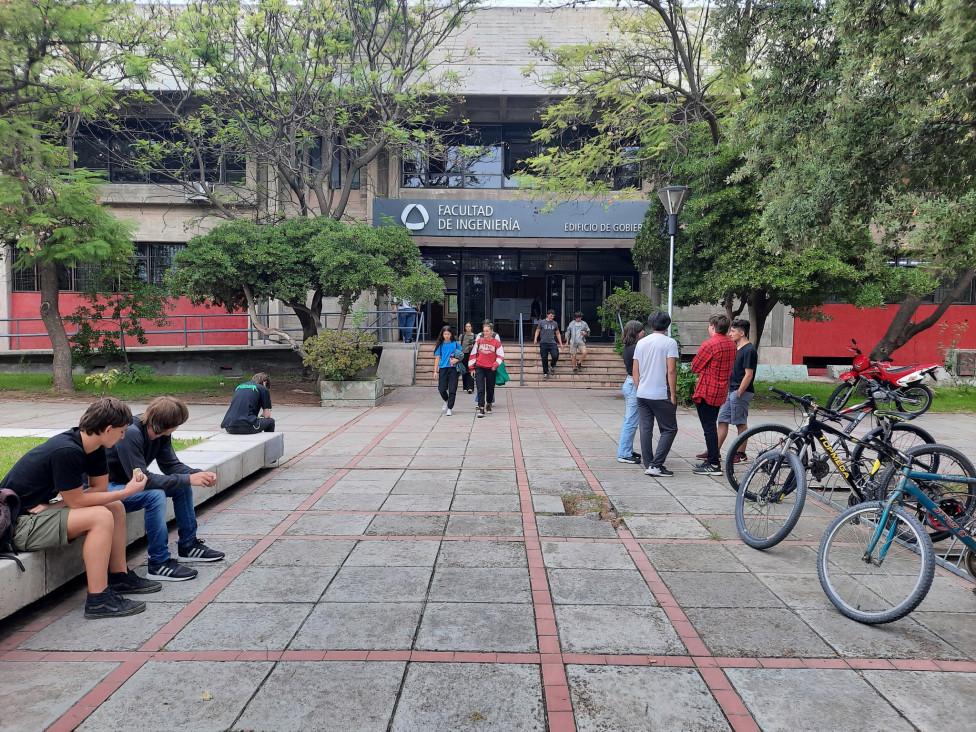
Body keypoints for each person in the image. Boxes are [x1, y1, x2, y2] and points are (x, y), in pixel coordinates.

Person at [0, 398, 159, 619]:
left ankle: (119, 577)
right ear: (107, 429)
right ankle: (98, 600)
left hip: (39, 512)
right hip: (18, 525)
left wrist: (58, 503)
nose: (123, 437)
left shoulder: (93, 446)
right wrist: (128, 491)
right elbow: (79, 501)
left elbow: (99, 489)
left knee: (113, 506)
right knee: (100, 517)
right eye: (122, 431)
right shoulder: (67, 450)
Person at [107, 396, 224, 582]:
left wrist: (197, 474)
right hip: (107, 488)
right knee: (155, 495)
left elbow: (171, 466)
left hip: (130, 484)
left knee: (182, 486)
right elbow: (142, 480)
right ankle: (158, 563)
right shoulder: (131, 433)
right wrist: (187, 478)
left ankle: (188, 545)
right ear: (169, 424)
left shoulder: (161, 433)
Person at [632, 311, 679, 477]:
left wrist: (639, 388)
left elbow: (635, 370)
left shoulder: (641, 342)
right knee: (669, 429)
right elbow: (671, 370)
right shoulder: (669, 343)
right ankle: (656, 465)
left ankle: (649, 463)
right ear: (667, 325)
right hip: (661, 392)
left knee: (646, 429)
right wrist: (673, 393)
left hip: (643, 393)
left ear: (651, 325)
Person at [691, 314, 737, 475]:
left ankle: (713, 463)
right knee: (712, 425)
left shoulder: (709, 344)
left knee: (709, 427)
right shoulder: (731, 344)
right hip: (721, 390)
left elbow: (695, 367)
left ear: (712, 326)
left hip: (707, 390)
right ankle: (713, 457)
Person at [715, 318, 759, 463]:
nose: (730, 333)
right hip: (729, 390)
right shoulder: (735, 348)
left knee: (740, 422)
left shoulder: (749, 350)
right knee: (722, 420)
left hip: (741, 392)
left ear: (742, 333)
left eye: (733, 331)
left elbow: (749, 374)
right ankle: (714, 452)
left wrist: (739, 393)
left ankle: (741, 453)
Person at [616, 320, 644, 465]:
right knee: (631, 420)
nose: (644, 332)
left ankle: (627, 449)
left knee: (631, 420)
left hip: (629, 383)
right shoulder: (635, 348)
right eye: (641, 330)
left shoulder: (629, 347)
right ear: (636, 332)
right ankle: (624, 453)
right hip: (633, 384)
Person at [468, 320, 504, 418]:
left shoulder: (496, 343)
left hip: (491, 368)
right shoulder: (479, 341)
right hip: (479, 367)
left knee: (490, 388)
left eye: (487, 331)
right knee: (480, 388)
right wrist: (471, 368)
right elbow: (473, 354)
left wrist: (496, 364)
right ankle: (481, 408)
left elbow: (501, 355)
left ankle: (488, 403)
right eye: (484, 331)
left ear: (492, 332)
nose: (485, 333)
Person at [433, 326, 463, 416]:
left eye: (448, 334)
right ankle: (447, 401)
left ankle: (450, 408)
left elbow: (461, 355)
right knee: (441, 389)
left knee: (452, 389)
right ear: (442, 335)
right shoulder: (440, 345)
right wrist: (435, 371)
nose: (446, 336)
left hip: (453, 369)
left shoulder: (456, 343)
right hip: (443, 368)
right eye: (445, 334)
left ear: (451, 334)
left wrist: (456, 360)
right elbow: (437, 358)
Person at [533, 309, 563, 380]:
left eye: (553, 316)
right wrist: (535, 339)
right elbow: (537, 331)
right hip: (543, 343)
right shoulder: (542, 322)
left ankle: (552, 365)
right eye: (551, 315)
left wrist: (561, 343)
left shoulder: (555, 323)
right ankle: (545, 373)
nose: (552, 317)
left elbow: (558, 333)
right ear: (548, 314)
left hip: (552, 342)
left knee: (555, 355)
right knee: (544, 358)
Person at [459, 322, 477, 394]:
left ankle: (470, 387)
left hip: (471, 355)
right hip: (463, 354)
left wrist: (472, 346)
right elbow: (459, 345)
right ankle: (465, 386)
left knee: (471, 369)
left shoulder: (474, 336)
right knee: (464, 370)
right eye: (466, 326)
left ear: (471, 327)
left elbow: (476, 346)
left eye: (469, 326)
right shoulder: (462, 336)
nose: (468, 328)